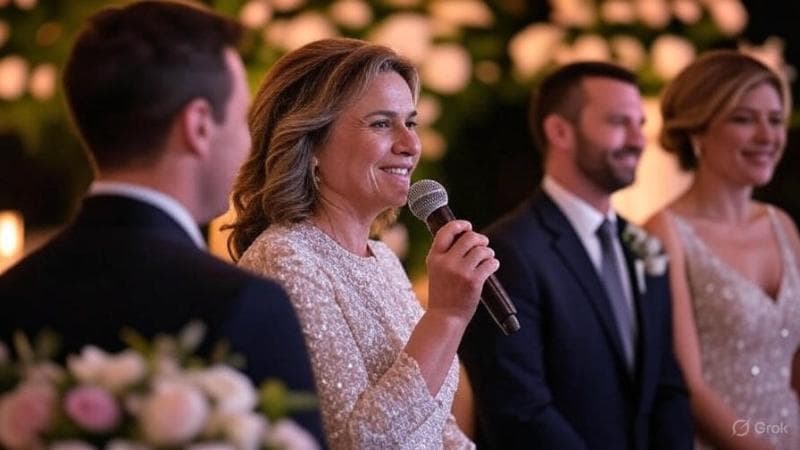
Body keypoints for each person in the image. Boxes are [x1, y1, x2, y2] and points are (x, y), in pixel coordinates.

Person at [0, 1, 325, 445]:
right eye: (240, 120)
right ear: (198, 125)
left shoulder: (12, 295)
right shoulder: (245, 304)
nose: (248, 144)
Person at [226, 37, 495, 449]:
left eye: (412, 122)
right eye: (382, 123)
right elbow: (359, 440)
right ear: (311, 141)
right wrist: (446, 317)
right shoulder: (285, 260)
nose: (410, 145)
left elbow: (434, 426)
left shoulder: (383, 259)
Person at [459, 61, 693, 449]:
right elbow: (519, 408)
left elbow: (667, 383)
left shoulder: (644, 245)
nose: (638, 140)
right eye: (620, 123)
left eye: (640, 123)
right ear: (560, 131)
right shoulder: (507, 250)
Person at [645, 50, 800, 450]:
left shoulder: (781, 225)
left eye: (775, 120)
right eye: (744, 119)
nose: (767, 137)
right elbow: (689, 388)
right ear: (698, 131)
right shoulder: (663, 235)